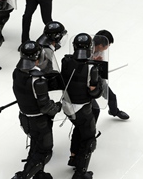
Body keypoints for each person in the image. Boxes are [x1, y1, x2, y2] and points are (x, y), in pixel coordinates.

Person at [11, 41, 61, 179]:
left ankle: (39, 174)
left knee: (35, 146)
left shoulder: (17, 73)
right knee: (44, 152)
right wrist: (57, 107)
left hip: (24, 117)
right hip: (39, 120)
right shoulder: (37, 80)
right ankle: (23, 176)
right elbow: (45, 106)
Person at [61, 33, 104, 179]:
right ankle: (80, 172)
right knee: (89, 138)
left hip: (66, 105)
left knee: (79, 129)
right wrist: (98, 81)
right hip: (82, 107)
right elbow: (95, 94)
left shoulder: (65, 60)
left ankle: (73, 157)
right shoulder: (92, 67)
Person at [92, 30, 129, 121]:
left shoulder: (100, 52)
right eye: (109, 45)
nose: (108, 47)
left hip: (98, 79)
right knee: (94, 109)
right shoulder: (86, 50)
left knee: (111, 97)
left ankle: (114, 111)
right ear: (101, 45)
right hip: (86, 82)